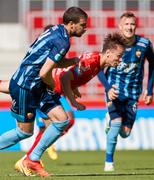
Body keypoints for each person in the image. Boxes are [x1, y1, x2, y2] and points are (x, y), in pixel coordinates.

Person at [0, 32, 125, 176]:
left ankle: (31, 159)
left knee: (58, 122)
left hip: (49, 90)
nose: (120, 60)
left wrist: (74, 89)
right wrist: (72, 101)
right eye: (119, 56)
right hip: (48, 89)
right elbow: (65, 76)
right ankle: (30, 158)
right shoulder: (92, 61)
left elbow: (71, 74)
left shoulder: (97, 63)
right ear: (108, 53)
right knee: (42, 126)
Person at [0, 6, 88, 177]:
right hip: (28, 86)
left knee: (63, 120)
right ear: (71, 24)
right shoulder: (63, 41)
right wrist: (52, 86)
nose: (85, 29)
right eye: (82, 25)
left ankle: (32, 159)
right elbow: (44, 72)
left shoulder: (56, 30)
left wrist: (73, 61)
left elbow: (52, 62)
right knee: (24, 132)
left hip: (34, 84)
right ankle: (30, 159)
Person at [98, 12, 154, 172]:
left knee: (125, 133)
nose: (129, 27)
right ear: (120, 26)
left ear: (135, 26)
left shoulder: (144, 44)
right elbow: (98, 68)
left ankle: (110, 121)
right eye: (126, 24)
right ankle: (108, 163)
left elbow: (153, 64)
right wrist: (108, 88)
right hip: (115, 92)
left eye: (132, 24)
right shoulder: (112, 45)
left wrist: (149, 90)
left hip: (133, 94)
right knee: (116, 124)